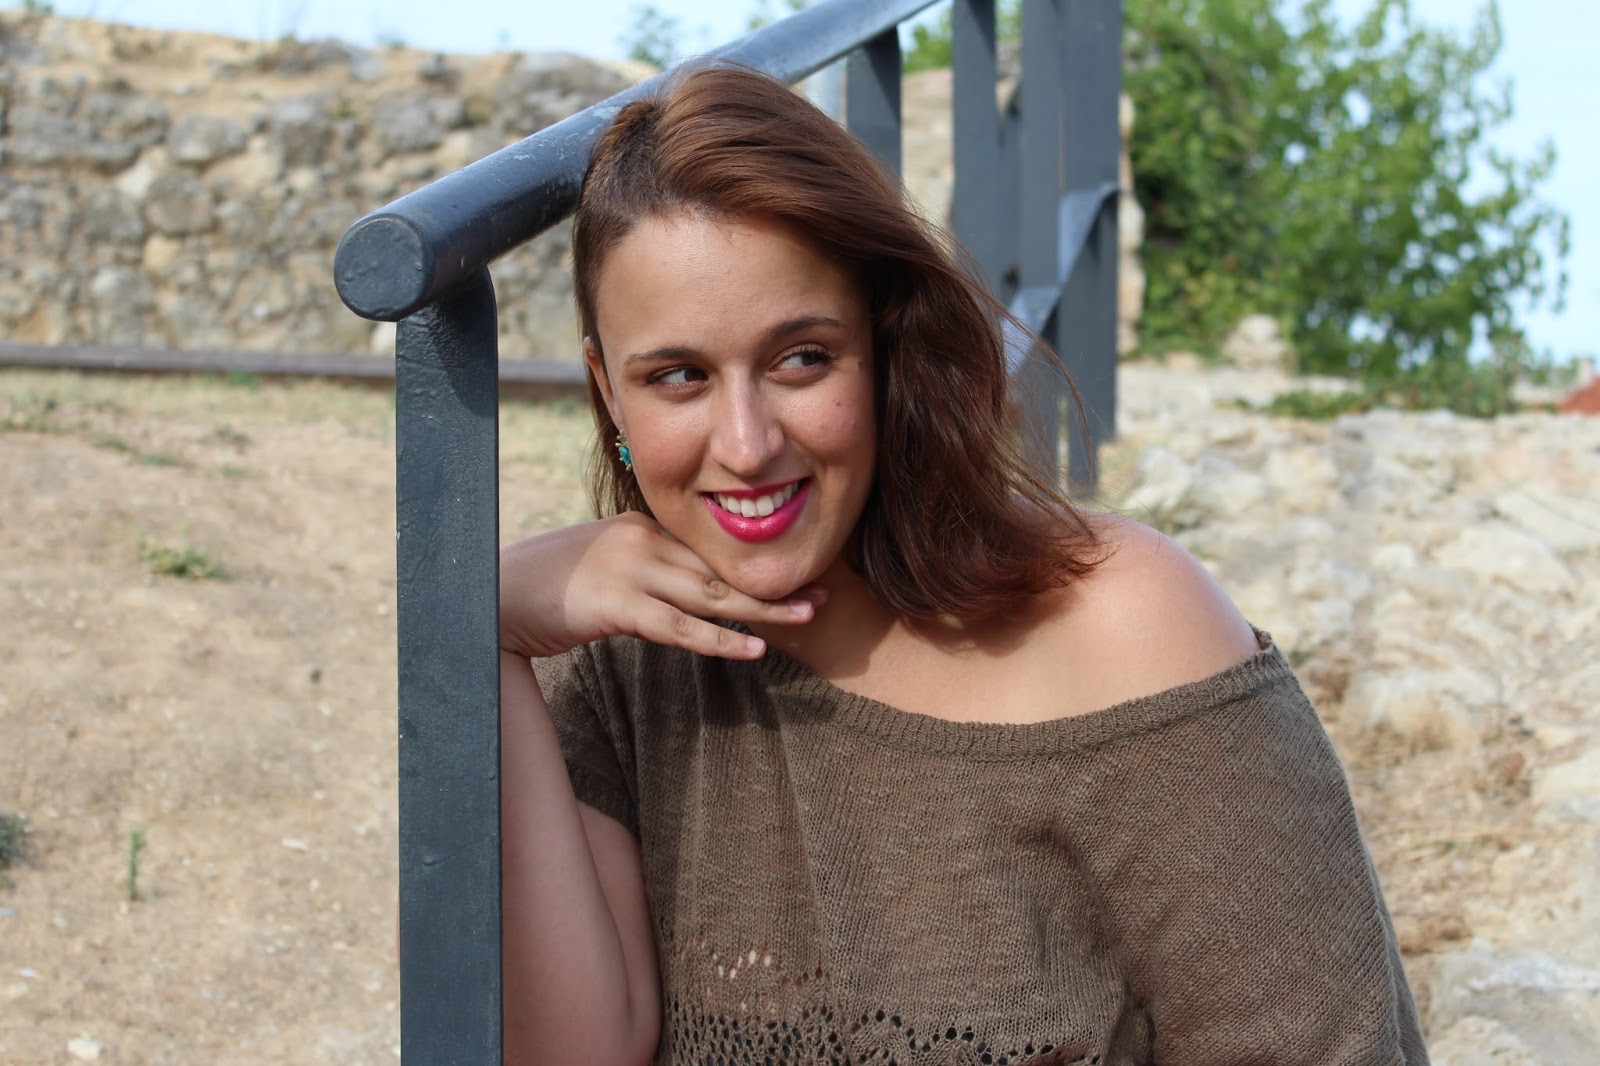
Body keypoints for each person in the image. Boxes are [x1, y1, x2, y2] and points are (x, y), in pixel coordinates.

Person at [495, 65, 1427, 1066]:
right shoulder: (620, 665)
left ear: (882, 342)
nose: (747, 443)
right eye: (678, 376)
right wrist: (487, 628)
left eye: (801, 358)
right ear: (607, 390)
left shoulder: (1126, 630)